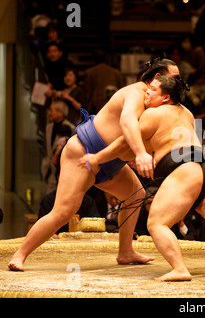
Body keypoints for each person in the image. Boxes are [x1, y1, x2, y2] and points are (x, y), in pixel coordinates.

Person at [77, 75, 205, 282]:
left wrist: (97, 158)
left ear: (165, 97)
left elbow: (125, 144)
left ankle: (180, 268)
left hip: (185, 172)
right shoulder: (188, 114)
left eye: (153, 90)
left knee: (156, 223)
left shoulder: (153, 114)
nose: (146, 92)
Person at [7, 58, 180, 272]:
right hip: (83, 151)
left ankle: (125, 251)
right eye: (174, 78)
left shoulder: (160, 104)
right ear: (157, 78)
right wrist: (140, 154)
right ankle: (20, 254)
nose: (178, 82)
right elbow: (127, 123)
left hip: (111, 161)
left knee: (135, 194)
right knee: (63, 212)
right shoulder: (136, 93)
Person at [41, 100, 75, 194]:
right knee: (48, 202)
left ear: (60, 112)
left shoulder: (71, 128)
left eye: (51, 110)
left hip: (63, 173)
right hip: (49, 172)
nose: (49, 113)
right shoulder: (49, 127)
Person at [84, 49, 124, 114]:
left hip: (96, 107)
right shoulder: (116, 72)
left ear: (94, 59)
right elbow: (122, 90)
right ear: (106, 59)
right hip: (113, 104)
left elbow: (87, 94)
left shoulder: (89, 72)